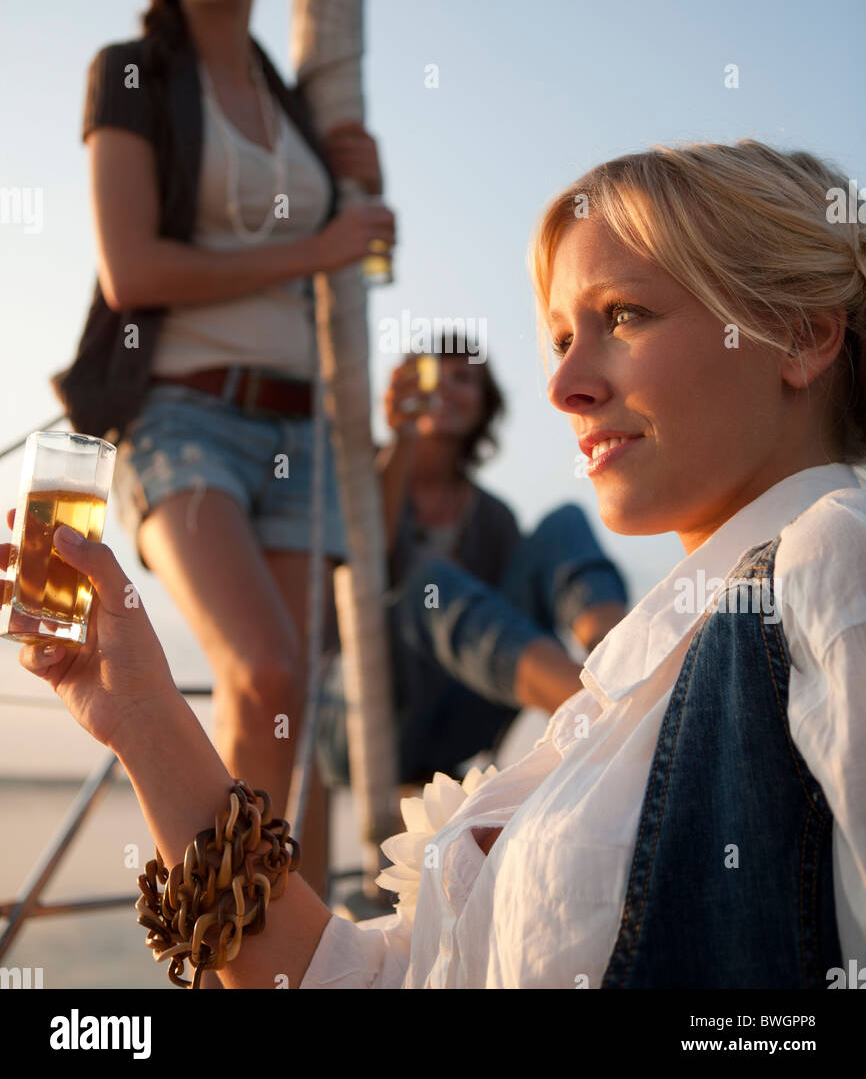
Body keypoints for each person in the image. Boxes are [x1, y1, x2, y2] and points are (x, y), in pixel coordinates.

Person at [16, 138, 866, 988]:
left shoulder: (832, 561)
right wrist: (141, 715)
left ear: (799, 335)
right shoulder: (627, 696)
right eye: (563, 335)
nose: (563, 384)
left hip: (478, 700)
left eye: (625, 316)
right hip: (384, 704)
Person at [48, 0, 396, 902]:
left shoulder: (296, 106)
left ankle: (255, 949)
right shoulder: (132, 71)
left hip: (300, 433)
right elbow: (133, 265)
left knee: (284, 701)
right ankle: (229, 942)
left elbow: (354, 261)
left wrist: (359, 197)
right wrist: (320, 244)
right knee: (267, 667)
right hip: (183, 416)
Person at [317, 348, 628, 791]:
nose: (443, 387)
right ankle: (613, 718)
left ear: (484, 403)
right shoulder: (362, 479)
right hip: (361, 712)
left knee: (564, 522)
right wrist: (402, 438)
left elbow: (509, 626)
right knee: (431, 583)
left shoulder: (492, 517)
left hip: (457, 716)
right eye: (430, 376)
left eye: (462, 378)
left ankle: (623, 673)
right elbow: (359, 575)